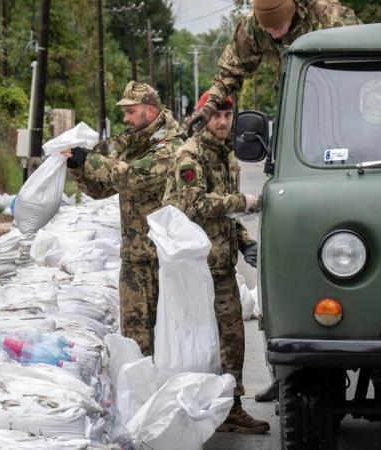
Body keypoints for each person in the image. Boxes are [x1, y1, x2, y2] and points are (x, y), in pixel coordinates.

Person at [163, 90, 268, 433]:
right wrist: (244, 201)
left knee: (232, 337)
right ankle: (192, 408)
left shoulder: (227, 157)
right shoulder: (190, 155)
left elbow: (225, 215)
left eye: (227, 115)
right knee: (195, 343)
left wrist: (246, 241)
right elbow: (195, 205)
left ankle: (230, 407)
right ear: (203, 115)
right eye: (216, 115)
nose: (222, 122)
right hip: (194, 270)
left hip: (221, 266)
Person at [63, 81, 182, 357]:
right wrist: (78, 168)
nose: (125, 118)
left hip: (163, 259)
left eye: (130, 111)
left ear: (150, 111)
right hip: (134, 257)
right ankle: (142, 392)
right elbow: (102, 188)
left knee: (168, 335)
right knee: (135, 336)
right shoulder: (131, 144)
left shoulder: (169, 146)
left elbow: (133, 177)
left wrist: (90, 160)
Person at [187, 0, 361, 134]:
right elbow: (230, 71)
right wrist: (210, 106)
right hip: (295, 109)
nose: (272, 33)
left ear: (292, 12)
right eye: (266, 28)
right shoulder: (252, 26)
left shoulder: (329, 17)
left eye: (277, 26)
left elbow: (370, 62)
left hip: (342, 106)